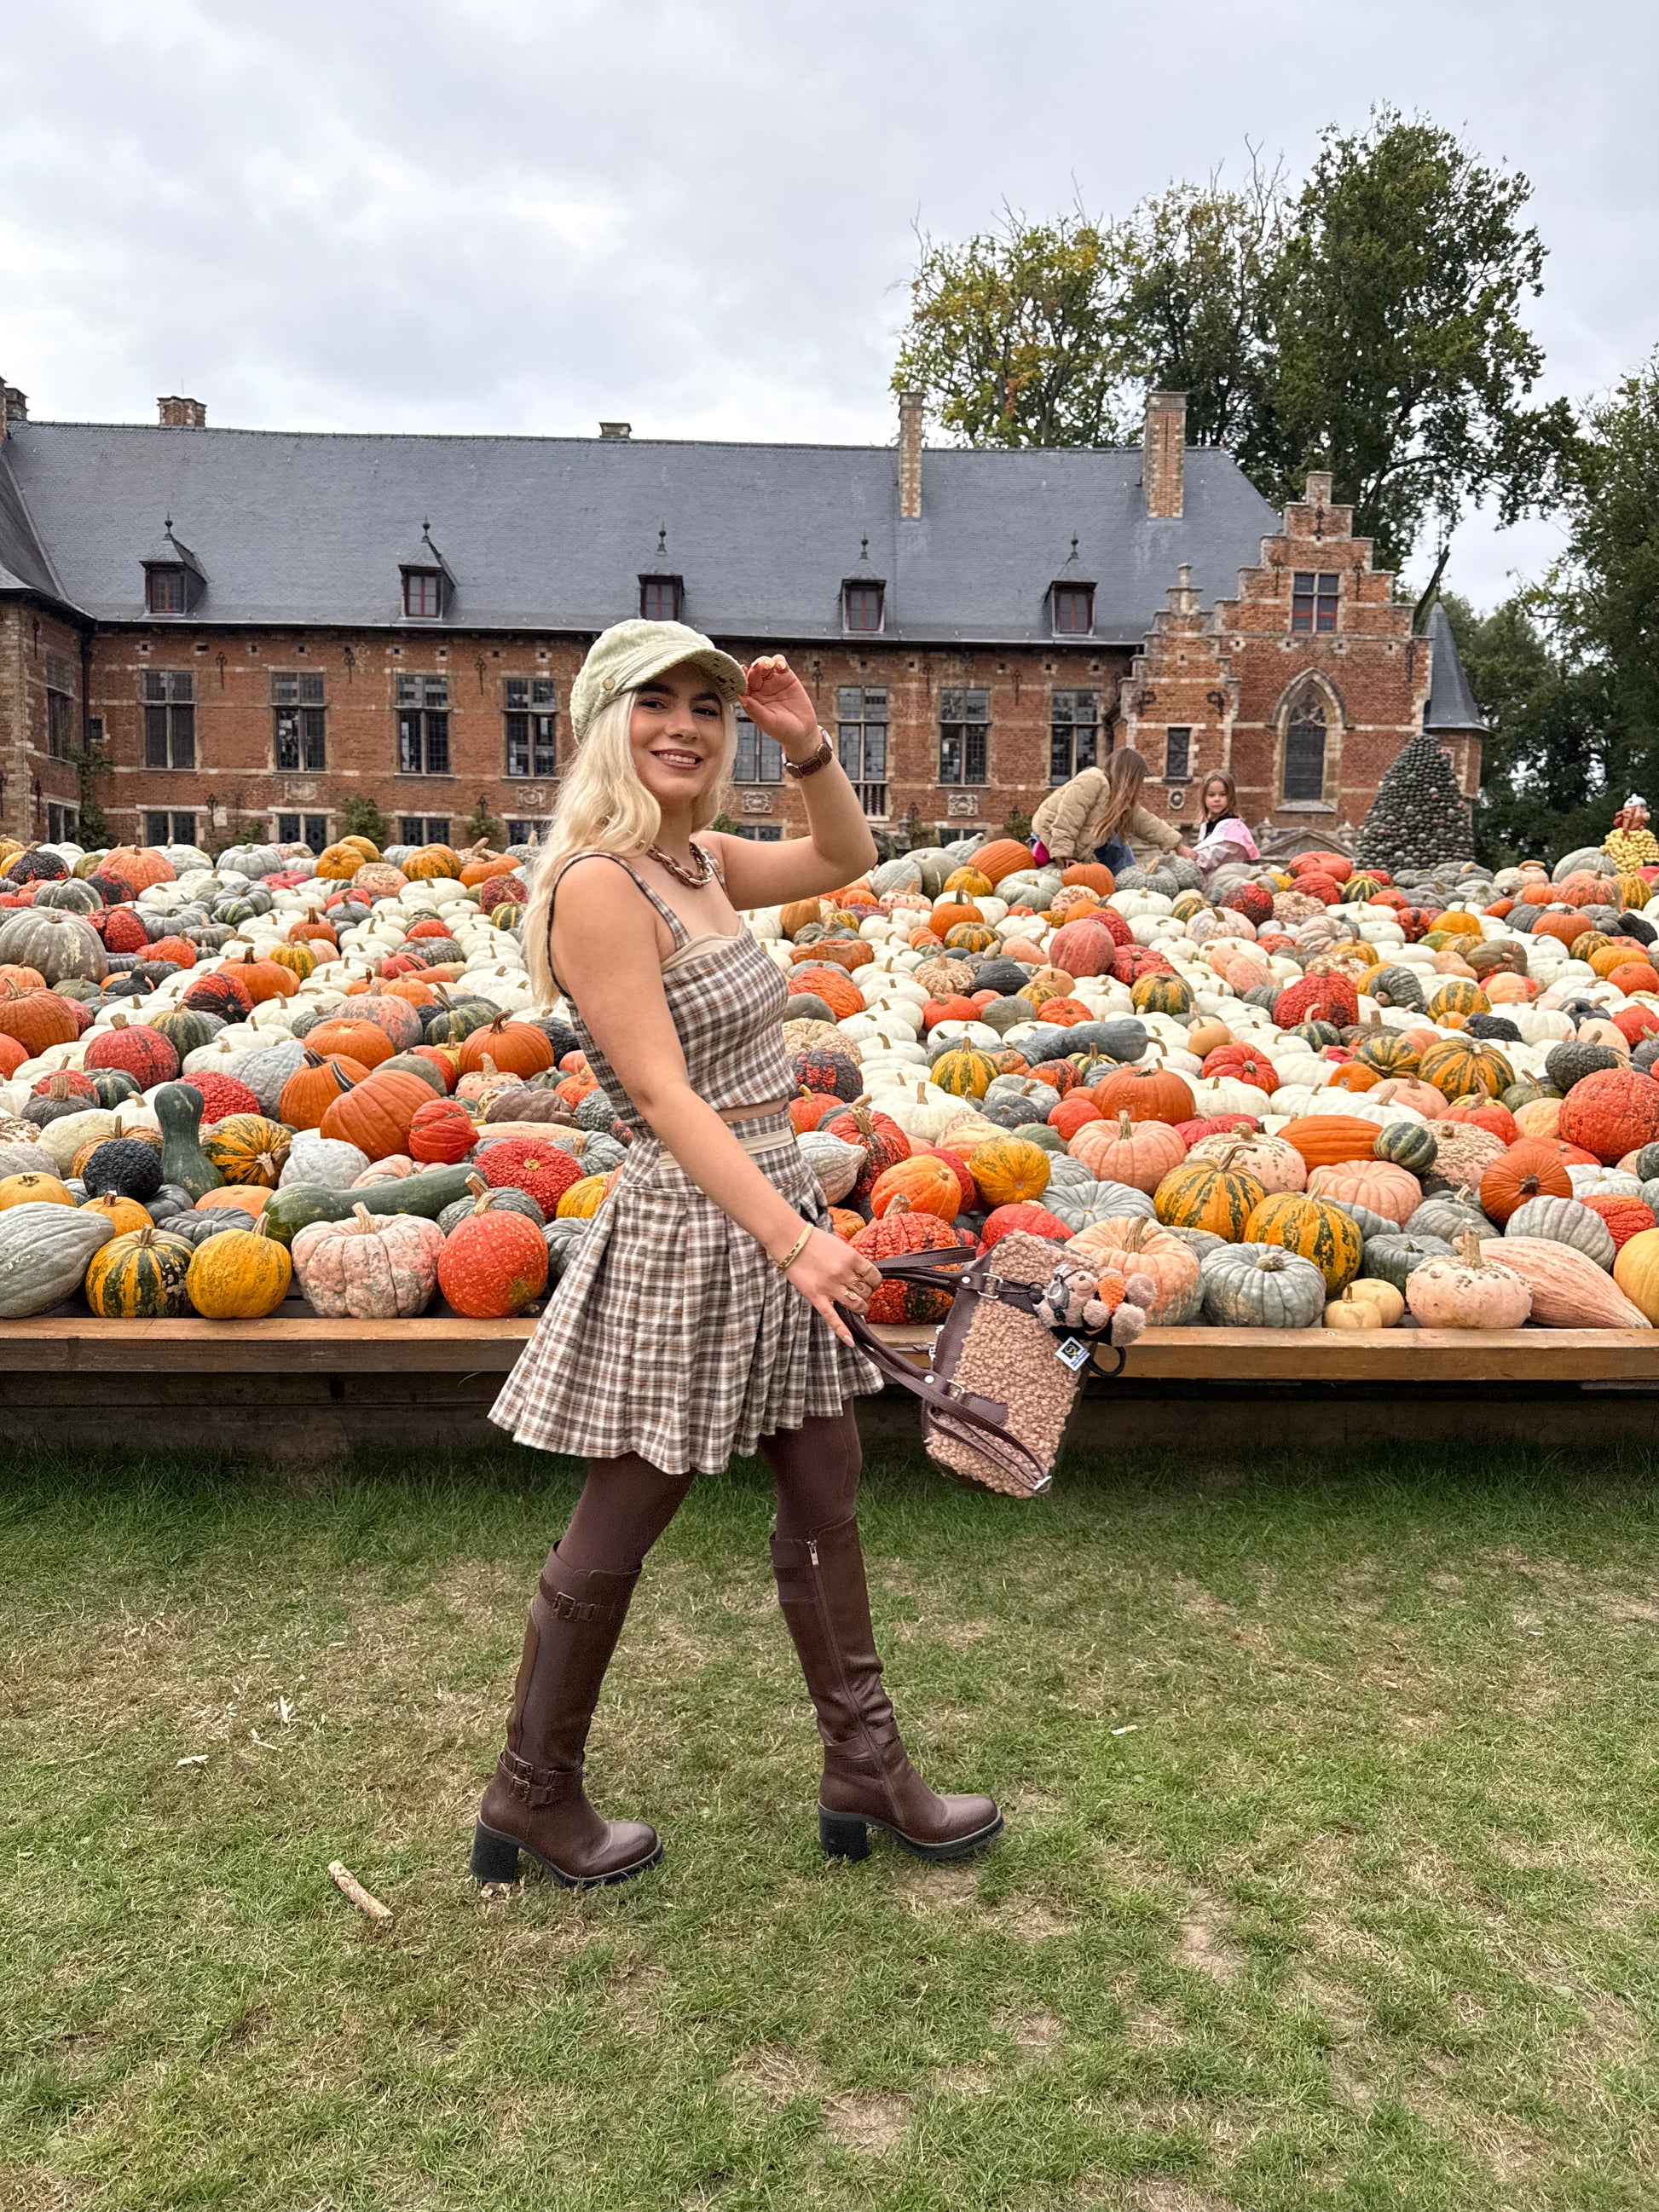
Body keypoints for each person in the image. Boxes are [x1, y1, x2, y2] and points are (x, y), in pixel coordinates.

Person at [475, 618, 1003, 1891]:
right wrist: (790, 1236)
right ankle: (529, 1793)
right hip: (697, 1226)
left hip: (770, 1200)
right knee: (628, 1502)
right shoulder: (600, 886)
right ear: (604, 725)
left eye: (705, 707)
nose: (685, 726)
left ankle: (865, 1764)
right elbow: (661, 1095)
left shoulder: (698, 861)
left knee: (825, 1479)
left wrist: (806, 743)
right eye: (654, 702)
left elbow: (844, 854)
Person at [1031, 750, 1193, 875]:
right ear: (1129, 777)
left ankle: (1127, 885)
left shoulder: (1121, 801)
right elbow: (1068, 819)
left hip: (1071, 850)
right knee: (1050, 889)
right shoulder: (1092, 780)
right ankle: (1125, 886)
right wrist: (1063, 855)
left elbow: (1147, 823)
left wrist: (1178, 846)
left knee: (1118, 844)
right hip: (1050, 841)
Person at [1191, 771, 1260, 881]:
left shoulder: (1233, 830)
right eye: (1211, 795)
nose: (1217, 799)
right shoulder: (1207, 824)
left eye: (1223, 794)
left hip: (1227, 884)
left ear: (1231, 797)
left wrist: (1182, 852)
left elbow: (1208, 859)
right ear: (1204, 798)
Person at [1604, 796, 1659, 874]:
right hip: (1630, 872)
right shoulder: (1618, 836)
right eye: (1642, 808)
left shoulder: (1646, 835)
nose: (1644, 811)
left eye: (1644, 808)